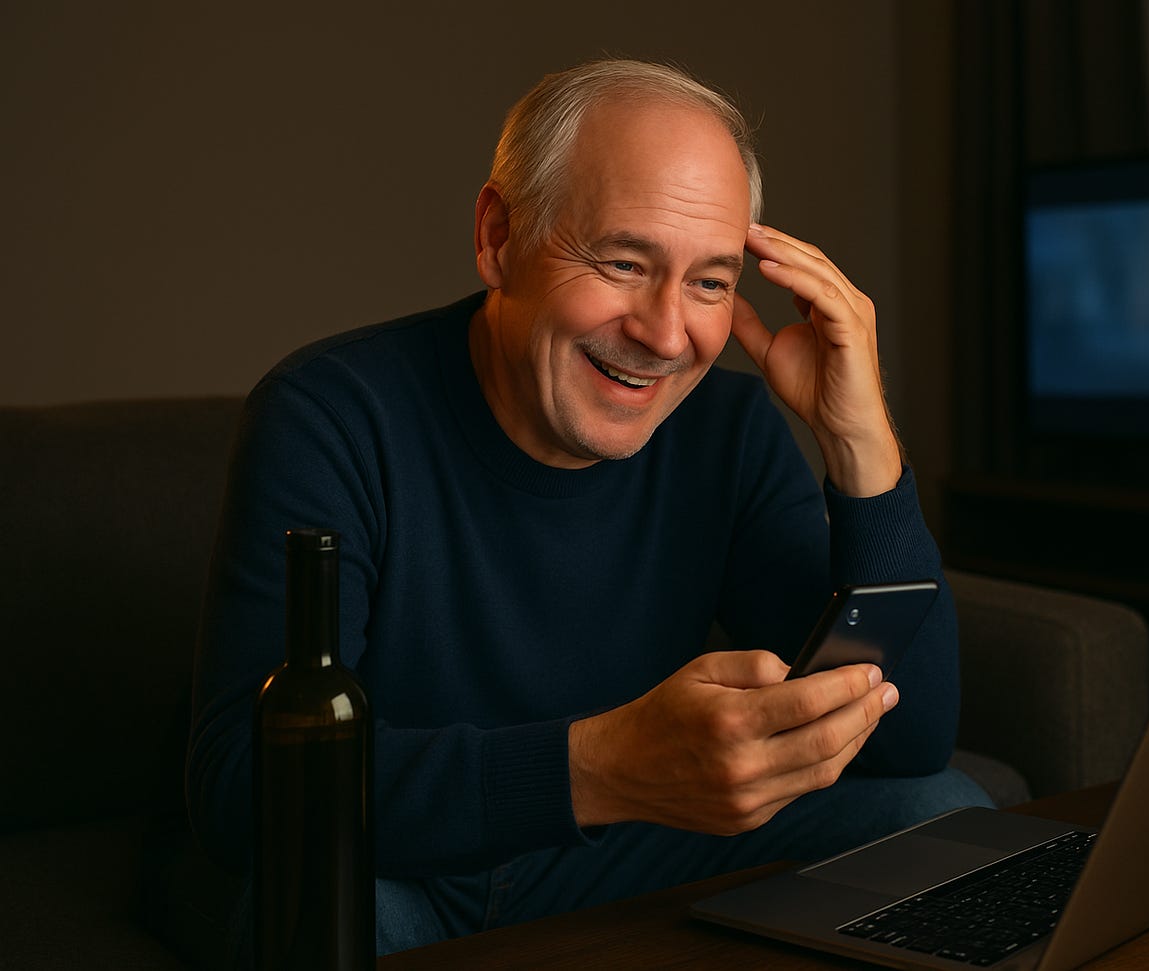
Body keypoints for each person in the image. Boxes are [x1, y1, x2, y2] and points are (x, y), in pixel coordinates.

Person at [186, 57, 990, 955]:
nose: (665, 332)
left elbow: (907, 742)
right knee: (326, 917)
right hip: (409, 873)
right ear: (498, 237)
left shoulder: (725, 426)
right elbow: (239, 787)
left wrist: (861, 444)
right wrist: (599, 768)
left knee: (946, 815)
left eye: (711, 282)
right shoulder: (330, 414)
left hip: (631, 857)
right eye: (622, 260)